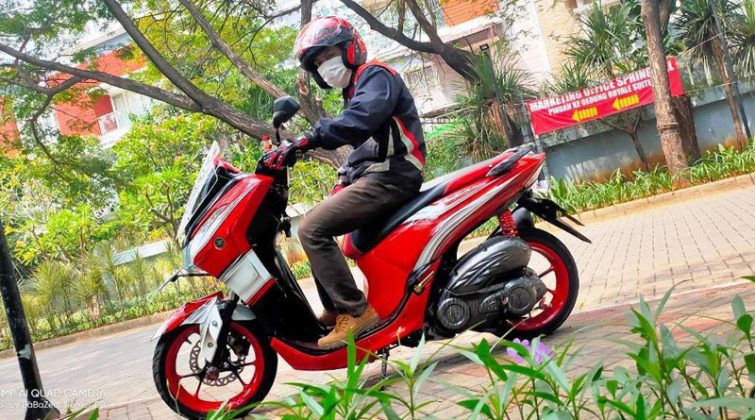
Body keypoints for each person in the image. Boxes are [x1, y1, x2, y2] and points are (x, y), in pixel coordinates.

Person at [261, 16, 426, 349]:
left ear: (350, 49)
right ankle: (337, 308)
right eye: (318, 63)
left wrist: (308, 138)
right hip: (381, 174)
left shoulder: (376, 75)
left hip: (396, 174)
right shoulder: (356, 89)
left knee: (311, 228)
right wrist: (343, 177)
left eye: (328, 55)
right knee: (318, 222)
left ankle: (355, 311)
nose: (325, 66)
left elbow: (359, 121)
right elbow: (364, 149)